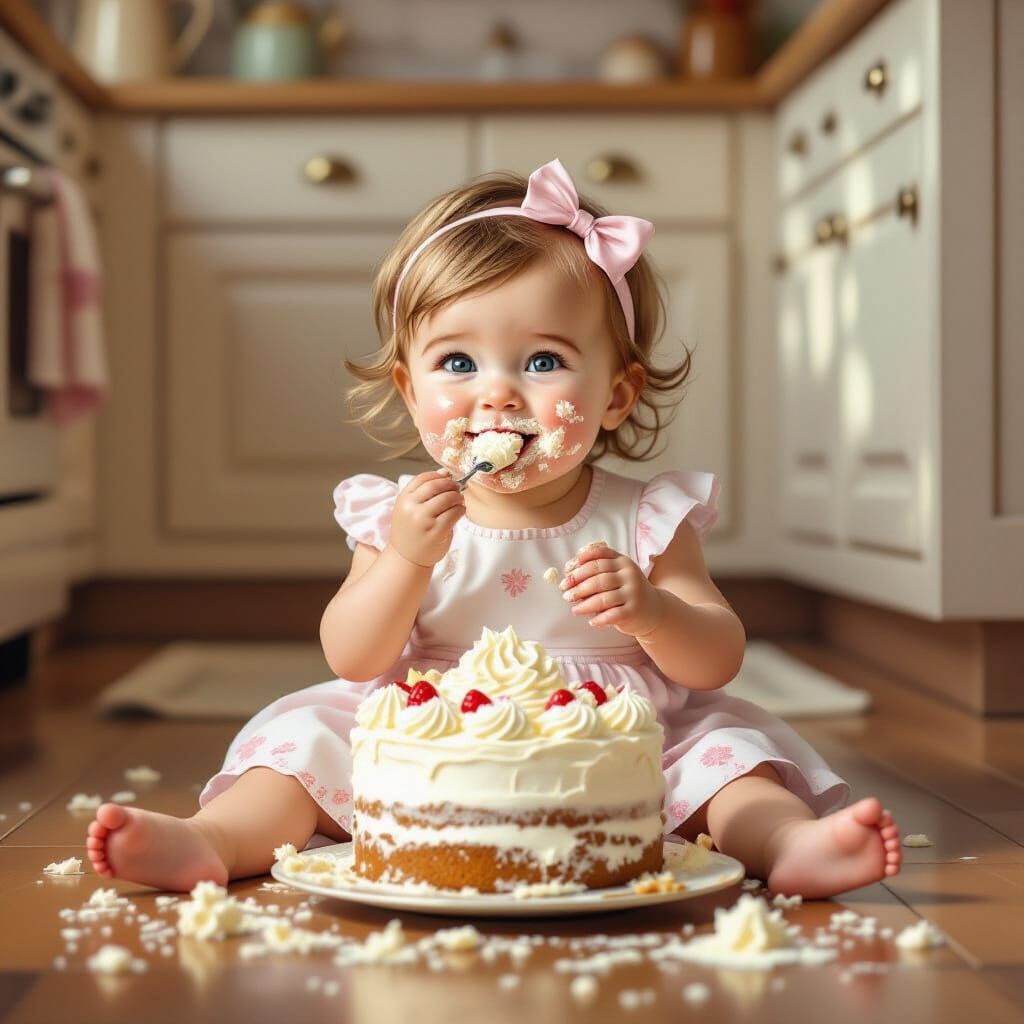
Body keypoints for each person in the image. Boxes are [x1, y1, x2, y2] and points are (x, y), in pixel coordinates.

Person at [86, 159, 901, 897]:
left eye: (543, 362)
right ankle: (213, 841)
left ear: (616, 396)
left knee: (731, 765)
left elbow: (718, 658)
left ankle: (788, 844)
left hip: (617, 737)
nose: (498, 394)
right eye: (457, 363)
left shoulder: (645, 517)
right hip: (432, 727)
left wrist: (654, 612)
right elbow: (352, 656)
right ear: (409, 390)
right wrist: (407, 560)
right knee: (302, 747)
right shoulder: (398, 516)